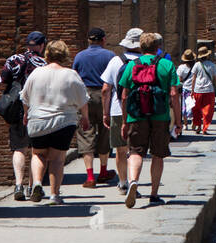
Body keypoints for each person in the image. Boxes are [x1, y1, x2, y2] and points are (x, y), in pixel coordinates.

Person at [116, 32, 182, 208]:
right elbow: (174, 94)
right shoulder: (167, 64)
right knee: (158, 155)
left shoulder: (131, 66)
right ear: (157, 47)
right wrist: (178, 121)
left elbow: (124, 96)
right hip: (160, 116)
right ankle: (154, 194)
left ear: (140, 47)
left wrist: (124, 121)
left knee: (135, 152)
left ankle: (133, 182)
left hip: (136, 115)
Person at [20, 40, 89, 205]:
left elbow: (24, 96)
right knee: (57, 159)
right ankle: (54, 195)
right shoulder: (71, 74)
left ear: (47, 54)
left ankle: (36, 183)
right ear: (65, 55)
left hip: (38, 120)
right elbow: (83, 101)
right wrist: (85, 117)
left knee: (38, 154)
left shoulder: (36, 73)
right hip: (64, 122)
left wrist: (25, 113)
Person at [0, 30, 48, 200]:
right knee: (37, 151)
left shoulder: (13, 60)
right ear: (42, 45)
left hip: (17, 110)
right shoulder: (44, 64)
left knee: (19, 148)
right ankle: (32, 186)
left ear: (27, 44)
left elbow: (2, 81)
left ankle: (18, 185)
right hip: (38, 111)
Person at [72, 27, 115, 188]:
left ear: (89, 40)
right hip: (105, 96)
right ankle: (103, 171)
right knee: (105, 132)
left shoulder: (79, 56)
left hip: (85, 97)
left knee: (85, 134)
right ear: (103, 40)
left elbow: (74, 77)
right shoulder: (110, 56)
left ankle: (90, 176)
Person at [101, 28, 142, 195]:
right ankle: (134, 180)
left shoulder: (115, 61)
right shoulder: (149, 61)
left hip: (118, 110)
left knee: (120, 149)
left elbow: (105, 89)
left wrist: (105, 112)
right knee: (136, 150)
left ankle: (123, 182)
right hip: (141, 112)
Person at [187, 46, 216, 134]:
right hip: (209, 90)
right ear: (208, 55)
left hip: (197, 90)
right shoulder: (213, 65)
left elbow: (193, 78)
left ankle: (198, 126)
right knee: (208, 110)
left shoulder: (196, 65)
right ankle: (205, 128)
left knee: (196, 109)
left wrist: (192, 90)